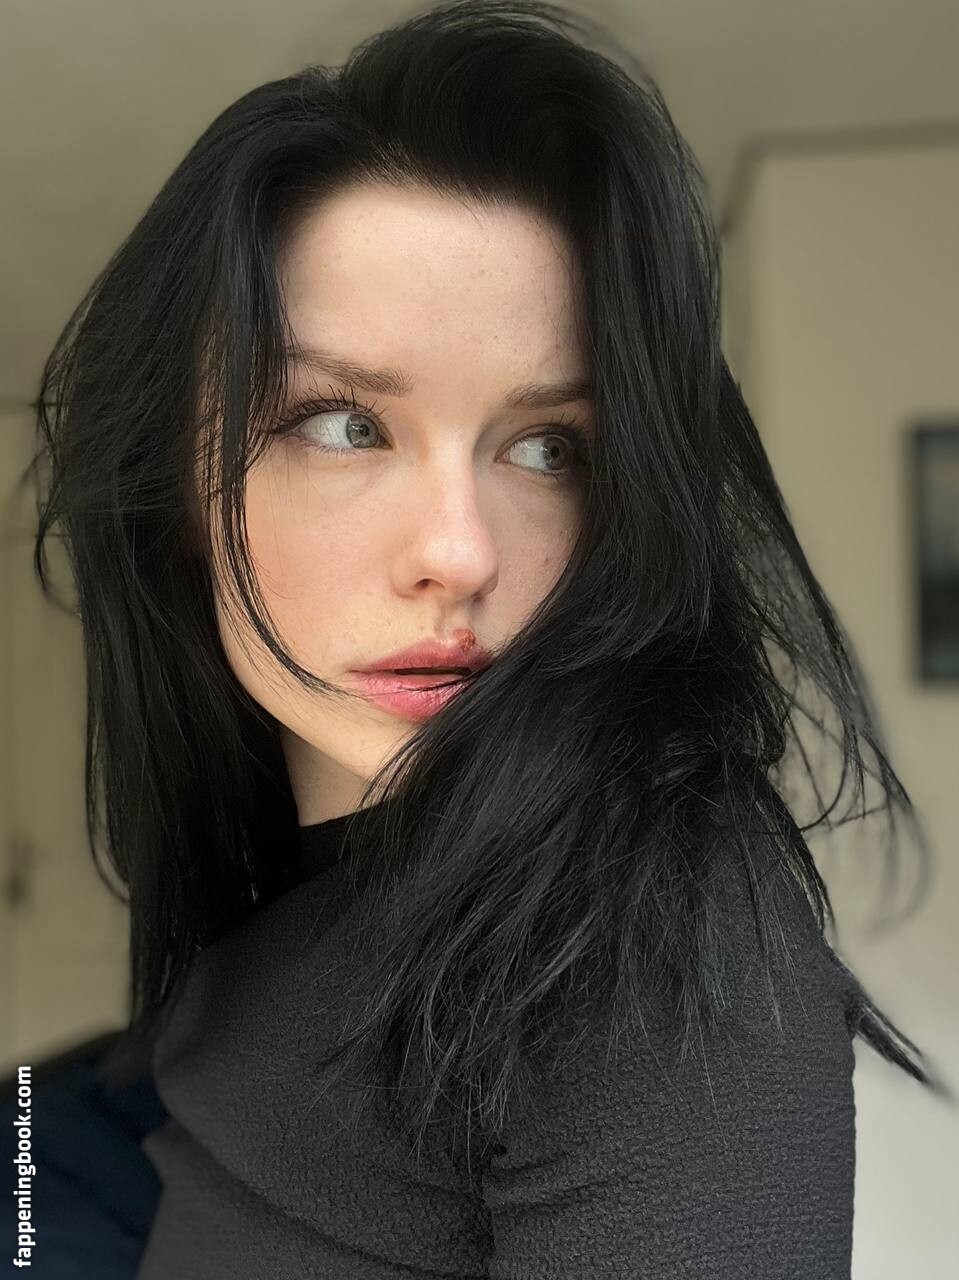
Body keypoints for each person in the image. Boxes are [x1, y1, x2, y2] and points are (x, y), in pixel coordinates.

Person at [24, 1, 952, 1276]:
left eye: (549, 446)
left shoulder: (645, 934)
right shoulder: (277, 903)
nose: (459, 553)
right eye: (344, 423)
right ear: (172, 490)